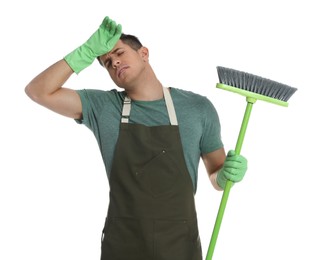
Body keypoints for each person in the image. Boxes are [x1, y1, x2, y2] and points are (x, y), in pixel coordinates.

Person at [25, 16, 247, 260]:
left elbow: (217, 177)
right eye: (107, 62)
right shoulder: (103, 108)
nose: (114, 62)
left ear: (144, 53)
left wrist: (226, 176)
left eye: (119, 52)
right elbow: (38, 91)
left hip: (180, 249)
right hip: (122, 248)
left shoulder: (198, 108)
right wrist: (86, 52)